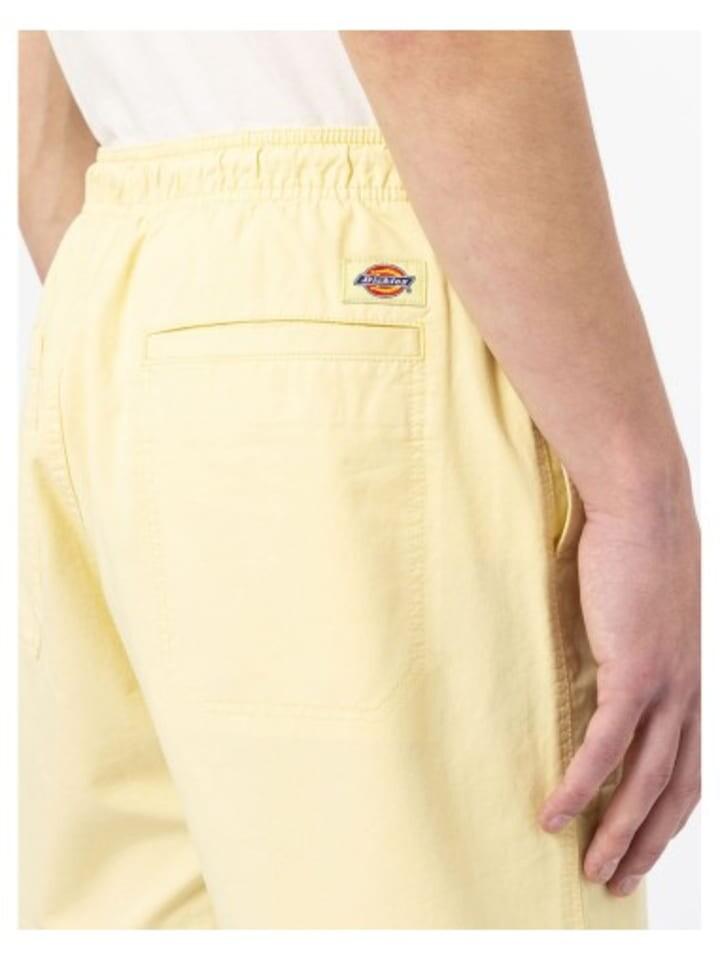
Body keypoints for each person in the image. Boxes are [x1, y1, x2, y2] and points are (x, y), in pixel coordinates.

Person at [18, 30, 700, 929]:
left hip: (115, 272)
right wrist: (639, 490)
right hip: (357, 286)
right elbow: (435, 34)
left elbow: (43, 135)